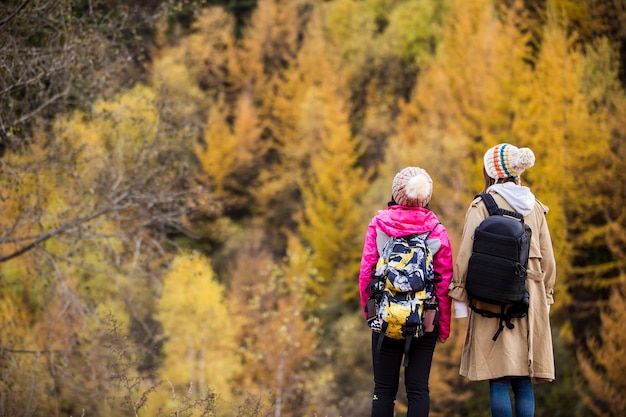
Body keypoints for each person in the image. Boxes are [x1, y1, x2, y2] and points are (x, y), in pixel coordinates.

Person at [448, 143, 557, 417]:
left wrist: (460, 299)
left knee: (498, 378)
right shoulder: (536, 207)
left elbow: (466, 254)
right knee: (523, 379)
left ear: (491, 172)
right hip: (529, 297)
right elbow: (548, 259)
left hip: (490, 297)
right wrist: (546, 298)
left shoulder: (482, 204)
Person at [359, 166, 453, 417]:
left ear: (397, 193)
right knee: (419, 389)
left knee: (382, 389)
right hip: (424, 319)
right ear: (426, 198)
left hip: (385, 317)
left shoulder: (379, 225)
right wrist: (443, 326)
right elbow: (444, 285)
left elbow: (367, 273)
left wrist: (370, 314)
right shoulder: (437, 231)